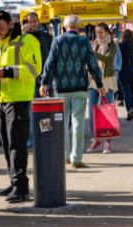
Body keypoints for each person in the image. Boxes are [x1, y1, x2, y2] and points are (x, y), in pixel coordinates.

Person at [0, 9, 42, 202]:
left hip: (18, 99)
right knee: (6, 144)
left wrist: (7, 72)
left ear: (10, 24)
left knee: (17, 144)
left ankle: (21, 187)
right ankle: (14, 180)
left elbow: (34, 68)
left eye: (1, 27)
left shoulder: (27, 41)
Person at [39, 15, 105, 167]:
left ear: (64, 26)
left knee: (61, 124)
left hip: (60, 89)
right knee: (78, 123)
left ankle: (65, 156)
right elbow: (92, 64)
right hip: (79, 88)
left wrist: (44, 83)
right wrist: (99, 83)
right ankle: (77, 158)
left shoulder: (58, 40)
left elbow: (49, 63)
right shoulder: (84, 41)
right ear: (78, 26)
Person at [89, 23, 118, 153]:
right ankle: (96, 138)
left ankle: (107, 142)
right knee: (92, 113)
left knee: (106, 112)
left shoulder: (112, 45)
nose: (98, 34)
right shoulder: (93, 44)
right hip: (93, 82)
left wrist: (93, 54)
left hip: (106, 81)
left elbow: (109, 59)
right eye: (97, 32)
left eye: (101, 32)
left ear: (107, 32)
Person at [116, 29, 133, 121]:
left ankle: (129, 110)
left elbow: (118, 58)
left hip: (123, 71)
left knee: (126, 93)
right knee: (132, 92)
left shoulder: (120, 46)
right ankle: (132, 110)